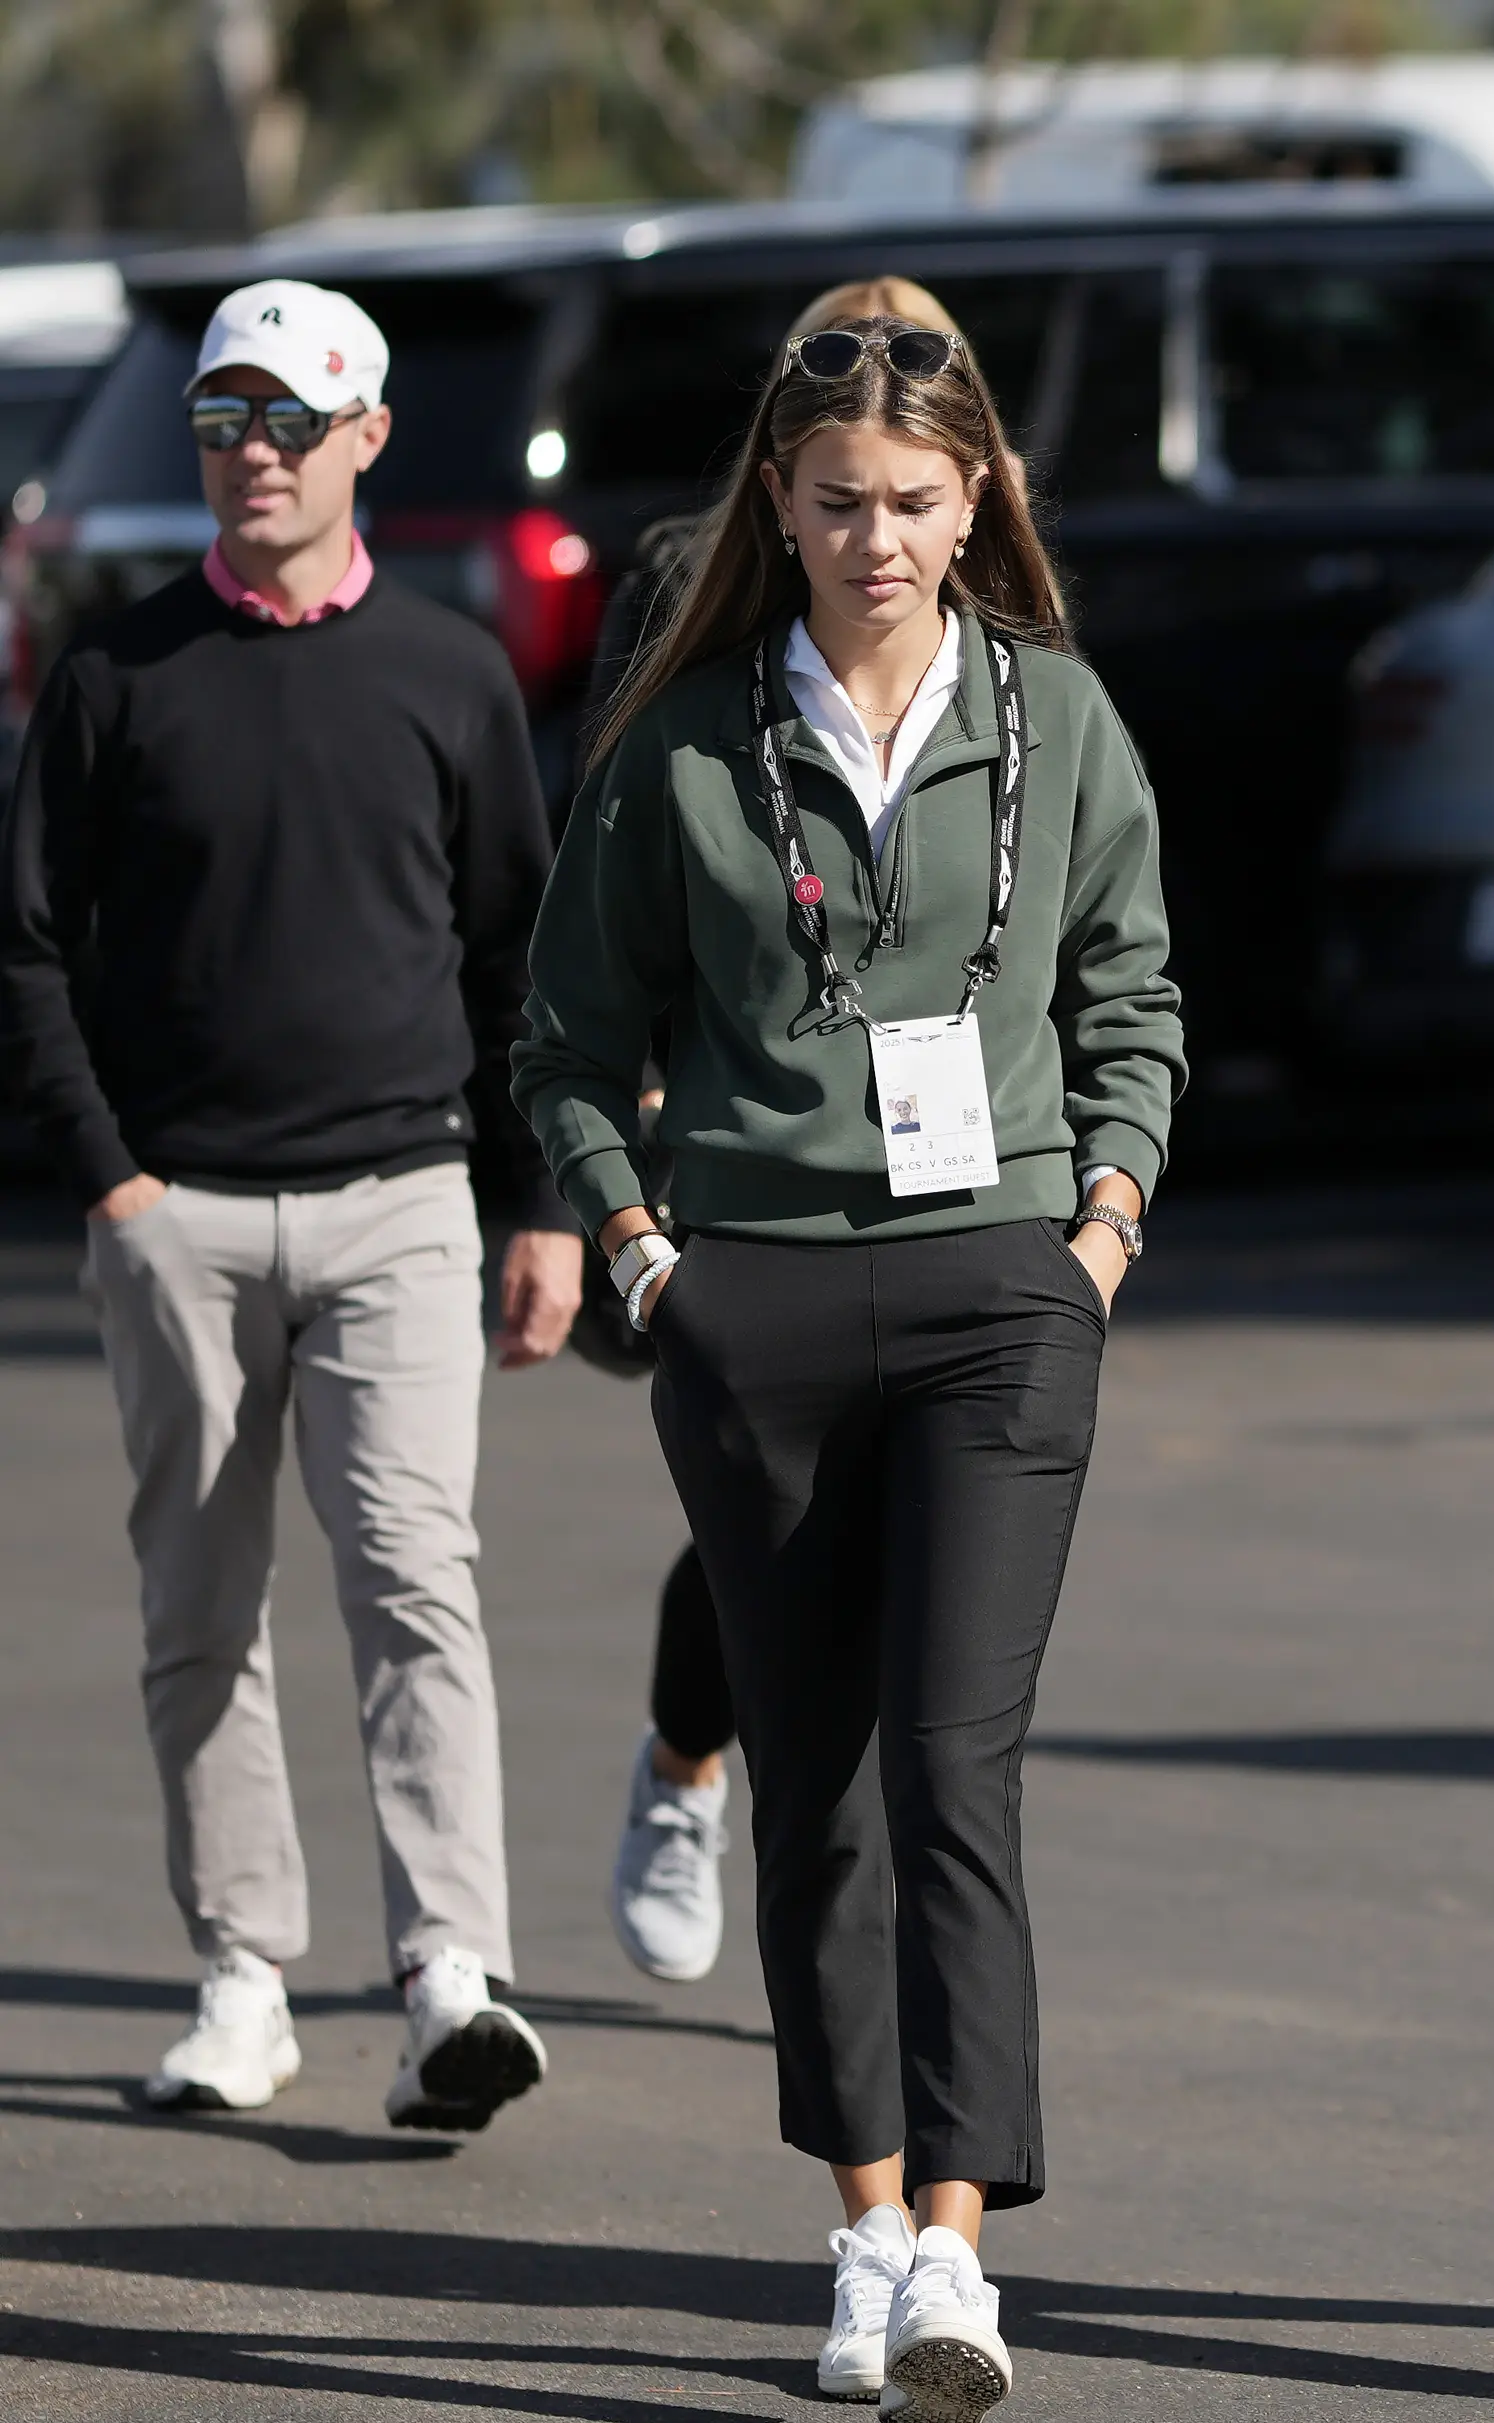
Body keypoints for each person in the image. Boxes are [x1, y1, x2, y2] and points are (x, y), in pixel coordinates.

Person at [513, 303, 1182, 2423]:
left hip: (1003, 1297)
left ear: (973, 496)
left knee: (951, 1772)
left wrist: (1100, 1232)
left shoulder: (1060, 718)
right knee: (814, 1795)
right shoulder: (686, 741)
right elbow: (561, 1045)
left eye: (912, 501)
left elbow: (1134, 998)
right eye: (835, 506)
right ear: (777, 514)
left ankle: (964, 2260)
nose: (876, 538)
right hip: (758, 1306)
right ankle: (868, 2226)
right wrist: (641, 1257)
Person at [0, 280, 582, 2132]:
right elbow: (21, 943)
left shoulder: (447, 675)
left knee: (418, 1578)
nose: (252, 453)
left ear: (367, 441)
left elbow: (521, 956)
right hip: (179, 1215)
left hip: (402, 1195)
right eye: (221, 421)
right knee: (203, 1601)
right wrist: (111, 1174)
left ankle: (448, 1982)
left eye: (287, 420)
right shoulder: (116, 674)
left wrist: (543, 1197)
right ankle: (243, 1976)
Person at [590, 276, 998, 1990]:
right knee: (777, 1512)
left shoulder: (998, 598)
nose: (878, 529)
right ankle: (696, 1762)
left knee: (928, 1545)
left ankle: (869, 1928)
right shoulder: (691, 576)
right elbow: (616, 838)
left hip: (953, 1130)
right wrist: (651, 1096)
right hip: (748, 1108)